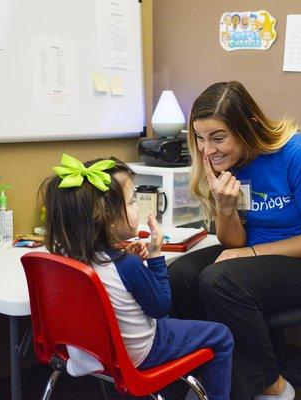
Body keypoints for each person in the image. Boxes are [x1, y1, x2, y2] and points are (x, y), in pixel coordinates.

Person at [168, 81, 301, 400]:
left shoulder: (299, 156)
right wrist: (225, 207)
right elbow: (233, 243)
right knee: (179, 276)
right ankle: (214, 373)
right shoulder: (223, 163)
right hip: (252, 259)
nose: (207, 150)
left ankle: (272, 386)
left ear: (248, 126)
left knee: (220, 282)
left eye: (218, 137)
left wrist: (250, 252)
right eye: (200, 138)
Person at [39, 154, 233, 400]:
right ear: (107, 218)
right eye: (132, 202)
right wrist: (155, 255)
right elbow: (161, 307)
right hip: (137, 355)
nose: (137, 208)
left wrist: (127, 258)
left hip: (88, 351)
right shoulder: (127, 265)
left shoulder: (65, 255)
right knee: (221, 335)